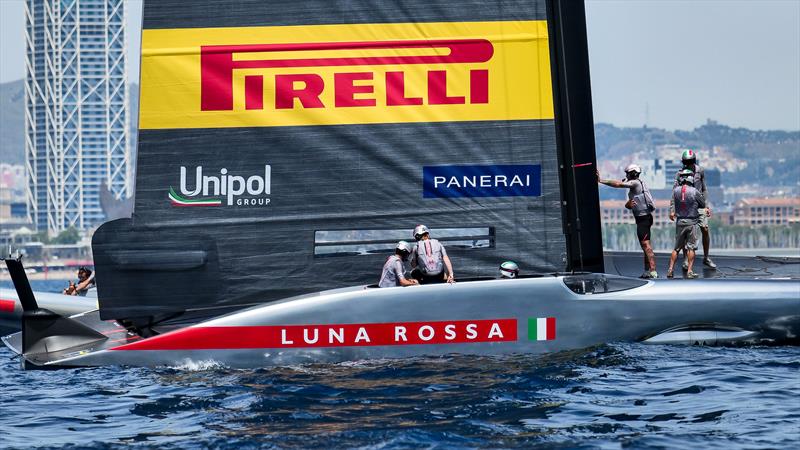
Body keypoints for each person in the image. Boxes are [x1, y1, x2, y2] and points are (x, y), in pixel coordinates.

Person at [597, 164, 658, 278]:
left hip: (643, 219)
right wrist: (628, 204)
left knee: (646, 245)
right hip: (643, 218)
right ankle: (647, 271)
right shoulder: (637, 183)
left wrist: (601, 181)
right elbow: (629, 205)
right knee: (644, 245)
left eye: (628, 173)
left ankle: (653, 271)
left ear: (633, 174)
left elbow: (618, 184)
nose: (626, 175)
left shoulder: (634, 183)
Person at [670, 149, 716, 269]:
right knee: (686, 233)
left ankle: (706, 257)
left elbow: (704, 189)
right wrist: (672, 209)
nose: (688, 164)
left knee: (705, 229)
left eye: (690, 161)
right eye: (686, 162)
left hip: (699, 204)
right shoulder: (679, 174)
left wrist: (706, 206)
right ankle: (685, 259)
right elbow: (674, 192)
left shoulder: (700, 171)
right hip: (686, 206)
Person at [666, 169, 706, 279]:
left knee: (676, 248)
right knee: (691, 248)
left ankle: (670, 270)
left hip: (679, 222)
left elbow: (672, 204)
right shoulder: (694, 191)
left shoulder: (676, 191)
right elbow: (702, 204)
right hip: (691, 222)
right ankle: (689, 271)